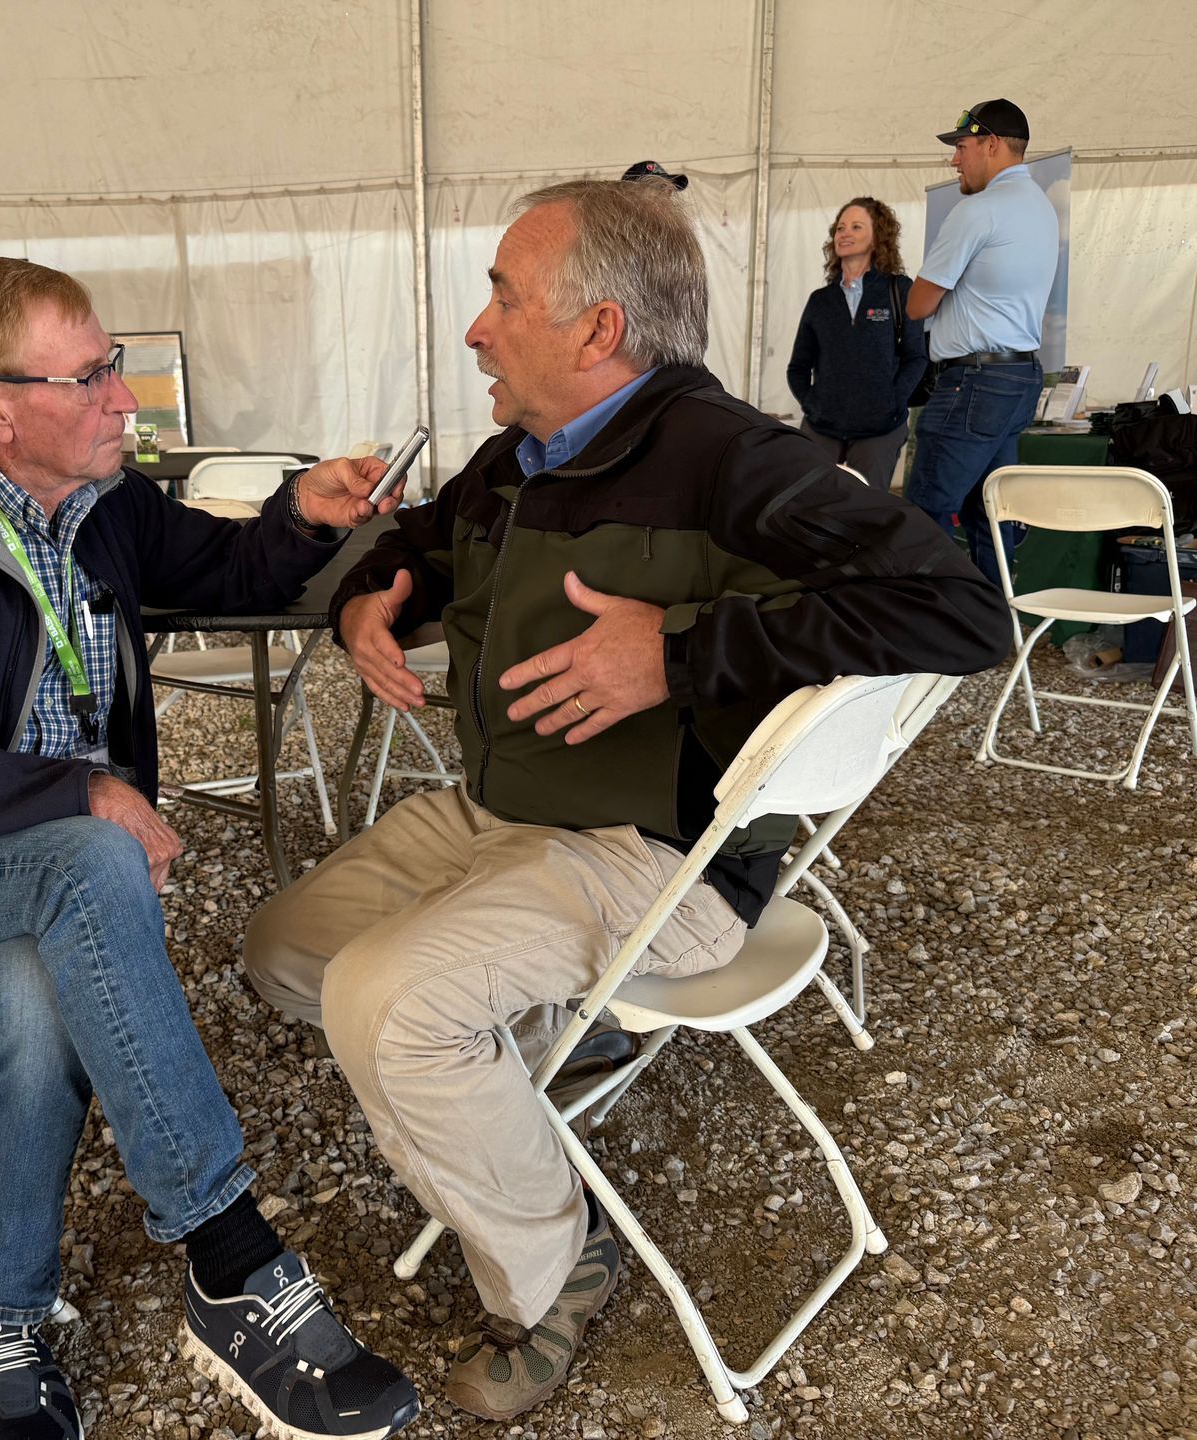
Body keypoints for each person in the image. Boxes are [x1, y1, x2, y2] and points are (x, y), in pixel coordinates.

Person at [242, 178, 1011, 1421]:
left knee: (382, 1001)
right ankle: (540, 1040)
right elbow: (422, 547)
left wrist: (683, 648)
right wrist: (370, 596)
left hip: (663, 851)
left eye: (504, 296)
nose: (479, 327)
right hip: (508, 812)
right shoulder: (517, 455)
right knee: (280, 953)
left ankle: (554, 1268)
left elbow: (962, 610)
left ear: (599, 331)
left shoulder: (735, 457)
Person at [0, 255, 420, 1440]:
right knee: (90, 863)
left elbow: (218, 572)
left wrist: (297, 516)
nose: (128, 400)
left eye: (117, 366)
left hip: (40, 882)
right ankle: (232, 1259)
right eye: (92, 377)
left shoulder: (99, 499)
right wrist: (80, 790)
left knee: (36, 981)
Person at [902, 98, 1059, 584]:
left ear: (991, 144)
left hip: (973, 378)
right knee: (991, 513)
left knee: (925, 512)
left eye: (962, 147)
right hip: (1018, 376)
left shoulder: (978, 211)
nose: (955, 160)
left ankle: (923, 630)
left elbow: (917, 305)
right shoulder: (1041, 208)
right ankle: (989, 624)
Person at [786, 196, 928, 488]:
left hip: (880, 430)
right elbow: (798, 367)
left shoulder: (899, 290)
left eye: (856, 227)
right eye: (840, 228)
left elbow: (916, 357)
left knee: (866, 514)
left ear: (878, 237)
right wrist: (813, 405)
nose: (845, 233)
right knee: (811, 507)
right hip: (821, 428)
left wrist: (890, 402)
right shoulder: (820, 301)